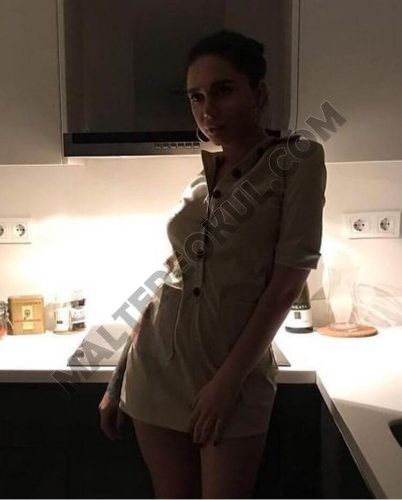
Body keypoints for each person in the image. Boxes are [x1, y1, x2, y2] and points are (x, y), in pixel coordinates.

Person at [99, 29, 327, 499]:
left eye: (223, 90)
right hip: (154, 374)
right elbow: (169, 280)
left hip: (232, 380)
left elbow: (287, 283)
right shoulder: (199, 184)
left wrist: (226, 384)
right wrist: (119, 375)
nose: (208, 110)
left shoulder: (296, 160)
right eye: (196, 97)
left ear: (258, 93)